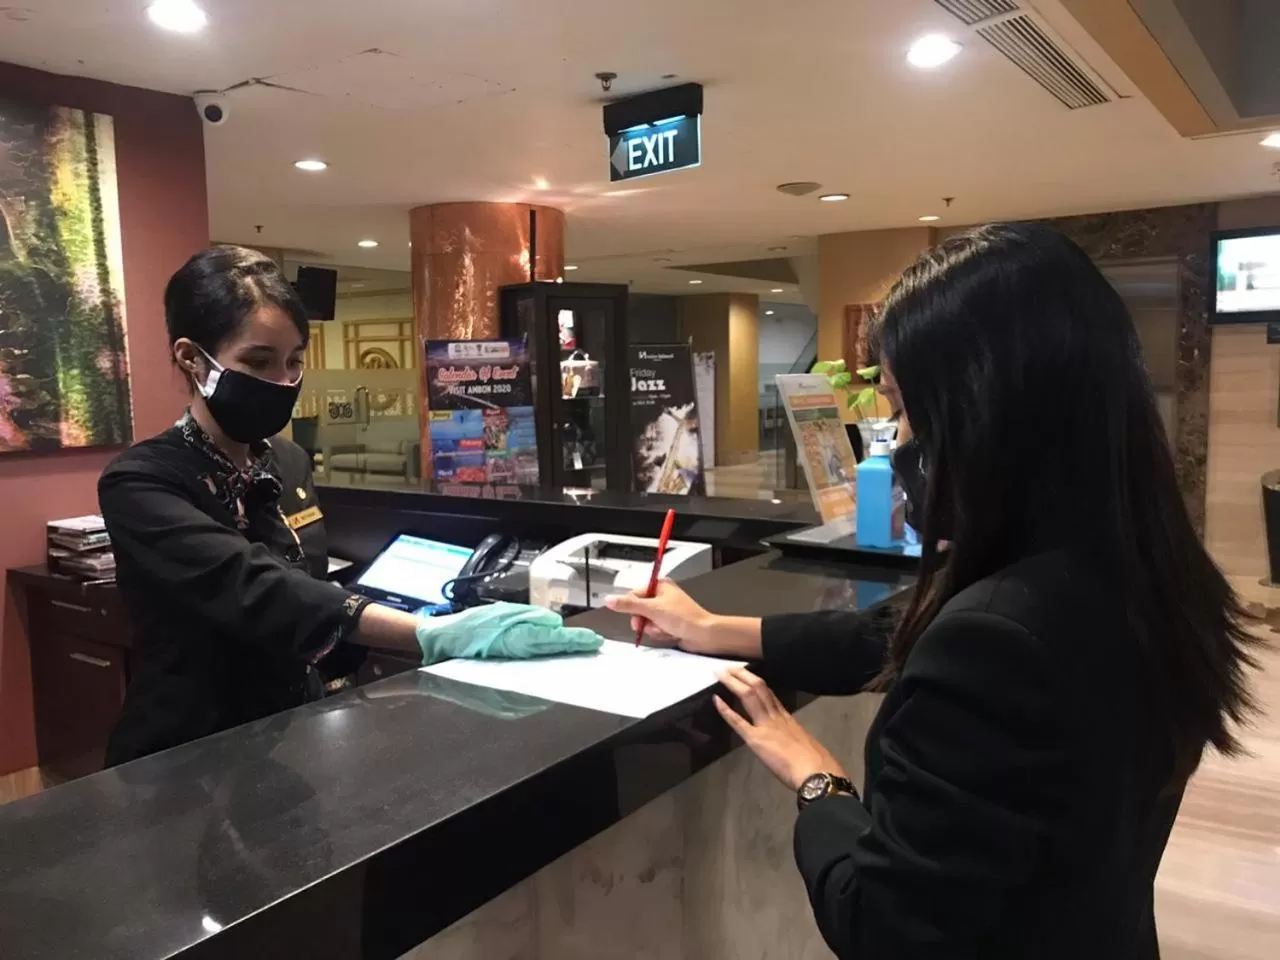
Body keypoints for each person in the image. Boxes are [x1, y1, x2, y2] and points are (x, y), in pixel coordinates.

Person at [608, 223, 1259, 959]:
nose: (893, 433)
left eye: (900, 405)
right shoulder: (1145, 571)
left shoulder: (999, 641)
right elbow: (890, 633)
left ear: (980, 411)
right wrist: (714, 630)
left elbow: (883, 925)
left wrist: (818, 779)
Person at [100, 247, 598, 766]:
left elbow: (305, 584)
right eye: (257, 361)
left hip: (290, 737)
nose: (281, 381)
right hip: (186, 752)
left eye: (294, 361)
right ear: (190, 358)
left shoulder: (287, 462)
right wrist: (426, 633)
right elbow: (252, 589)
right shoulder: (142, 480)